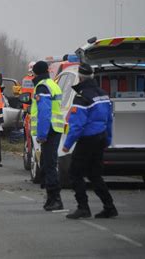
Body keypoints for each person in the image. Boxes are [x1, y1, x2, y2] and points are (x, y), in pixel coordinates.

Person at [63, 63, 118, 219]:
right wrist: (107, 139)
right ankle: (109, 206)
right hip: (100, 138)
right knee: (94, 174)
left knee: (75, 173)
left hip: (87, 139)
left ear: (80, 77)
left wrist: (67, 145)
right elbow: (109, 120)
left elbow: (77, 125)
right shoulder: (103, 94)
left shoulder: (82, 96)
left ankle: (83, 208)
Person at [30, 61, 65, 211]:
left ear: (36, 73)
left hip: (49, 129)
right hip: (54, 129)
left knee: (50, 165)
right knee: (47, 163)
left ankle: (55, 199)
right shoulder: (52, 83)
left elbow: (44, 112)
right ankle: (51, 198)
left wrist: (42, 134)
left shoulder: (42, 86)